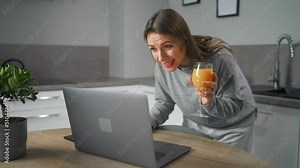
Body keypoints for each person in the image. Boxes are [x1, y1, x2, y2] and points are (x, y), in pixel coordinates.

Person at [143, 8, 257, 152]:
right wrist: (145, 125)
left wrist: (210, 102)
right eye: (153, 49)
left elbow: (236, 105)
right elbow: (164, 103)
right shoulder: (163, 65)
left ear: (184, 39)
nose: (160, 57)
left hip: (232, 129)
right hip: (195, 126)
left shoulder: (219, 57)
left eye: (168, 46)